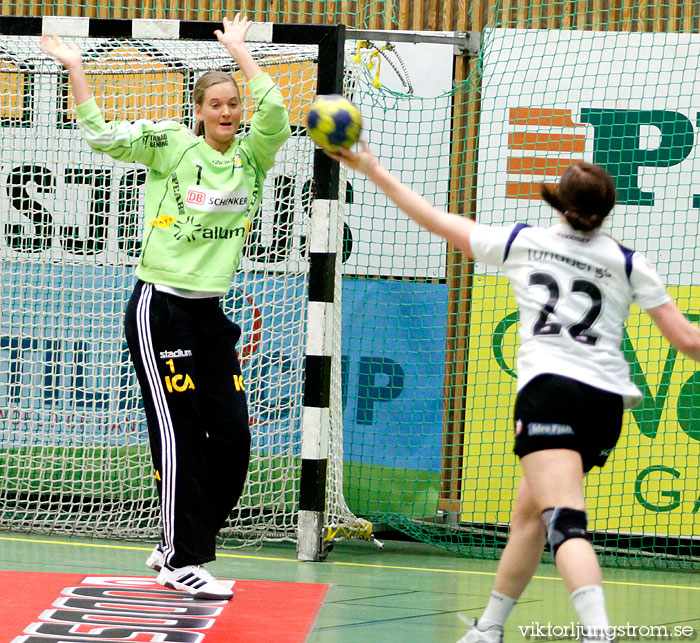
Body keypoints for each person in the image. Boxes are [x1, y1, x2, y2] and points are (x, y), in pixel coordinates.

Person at [328, 143, 700, 642]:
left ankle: (598, 634)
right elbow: (689, 341)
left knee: (565, 519)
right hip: (605, 403)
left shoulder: (524, 242)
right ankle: (489, 629)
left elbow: (435, 220)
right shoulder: (630, 262)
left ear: (558, 204)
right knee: (529, 514)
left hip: (551, 393)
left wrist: (370, 167)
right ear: (607, 210)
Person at [40, 14, 291, 601]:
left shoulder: (253, 158)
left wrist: (238, 51)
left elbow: (276, 111)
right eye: (217, 104)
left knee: (232, 441)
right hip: (161, 309)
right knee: (178, 433)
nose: (228, 112)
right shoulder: (173, 146)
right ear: (199, 111)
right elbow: (100, 135)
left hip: (210, 316)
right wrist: (76, 69)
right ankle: (181, 559)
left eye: (234, 103)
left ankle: (176, 540)